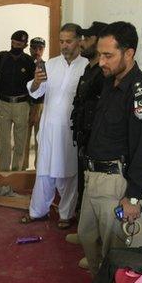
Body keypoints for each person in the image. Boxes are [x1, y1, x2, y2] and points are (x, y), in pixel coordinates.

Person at [76, 22, 142, 274]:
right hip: (93, 176)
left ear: (129, 53)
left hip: (115, 184)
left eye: (108, 55)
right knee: (87, 237)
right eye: (100, 54)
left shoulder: (140, 94)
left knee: (114, 254)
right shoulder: (110, 81)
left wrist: (134, 197)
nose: (101, 61)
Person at [21, 24, 87, 228]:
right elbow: (35, 93)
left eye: (69, 41)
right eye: (61, 41)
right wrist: (36, 82)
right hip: (49, 128)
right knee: (44, 172)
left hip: (70, 130)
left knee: (68, 175)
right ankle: (37, 211)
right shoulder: (51, 64)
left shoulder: (87, 66)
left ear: (79, 41)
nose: (64, 45)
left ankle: (66, 215)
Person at [66, 23, 108, 250]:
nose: (81, 42)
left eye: (86, 38)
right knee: (85, 187)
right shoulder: (90, 69)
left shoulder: (103, 75)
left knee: (95, 194)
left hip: (95, 141)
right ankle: (86, 236)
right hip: (84, 137)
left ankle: (96, 245)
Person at [0, 30, 35, 171]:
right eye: (14, 43)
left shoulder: (28, 62)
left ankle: (18, 171)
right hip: (3, 103)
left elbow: (36, 85)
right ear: (11, 42)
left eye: (19, 44)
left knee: (20, 141)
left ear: (25, 44)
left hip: (22, 105)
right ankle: (4, 172)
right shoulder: (2, 58)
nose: (16, 46)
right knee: (3, 142)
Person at [26, 37, 47, 160]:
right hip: (24, 105)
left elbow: (43, 89)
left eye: (40, 48)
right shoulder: (24, 62)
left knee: (40, 140)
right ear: (30, 49)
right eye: (34, 48)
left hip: (39, 106)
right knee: (23, 141)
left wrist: (36, 108)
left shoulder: (45, 66)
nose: (37, 51)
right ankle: (22, 169)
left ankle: (38, 169)